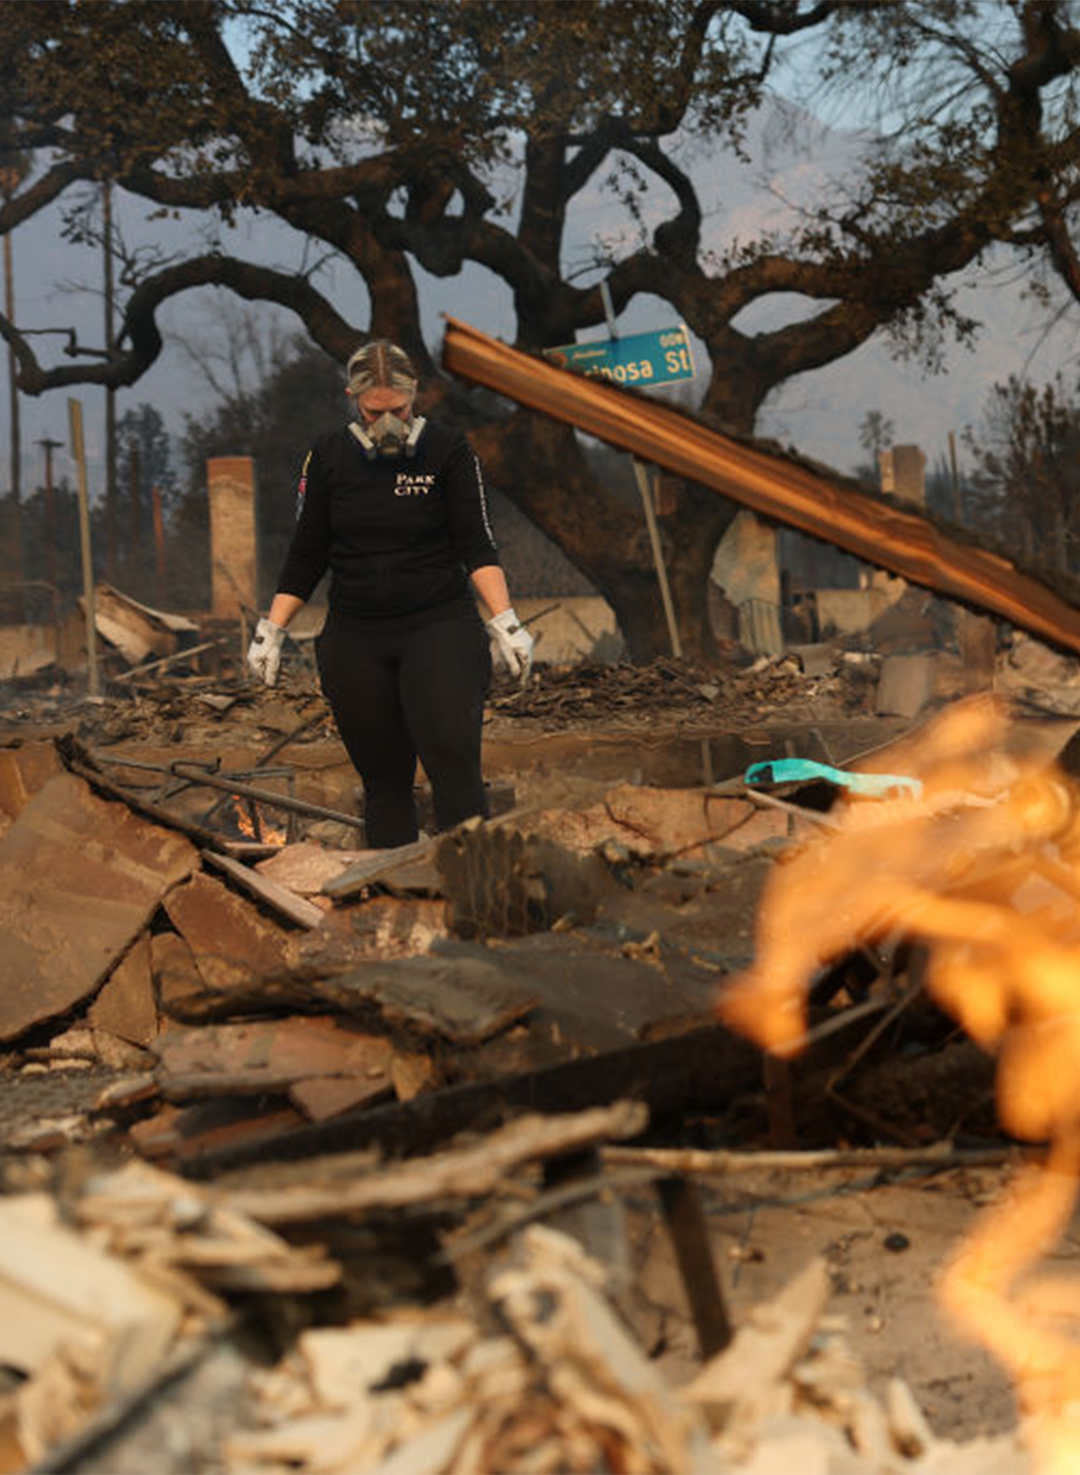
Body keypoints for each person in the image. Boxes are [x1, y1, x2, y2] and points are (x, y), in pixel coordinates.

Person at [246, 339, 534, 849]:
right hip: (356, 633)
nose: (387, 422)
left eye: (397, 410)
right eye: (373, 411)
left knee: (450, 753)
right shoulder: (328, 458)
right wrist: (272, 629)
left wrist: (506, 620)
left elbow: (477, 544)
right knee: (383, 777)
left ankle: (477, 892)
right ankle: (389, 898)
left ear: (414, 396)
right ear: (353, 399)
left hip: (438, 623)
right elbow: (307, 552)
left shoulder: (448, 451)